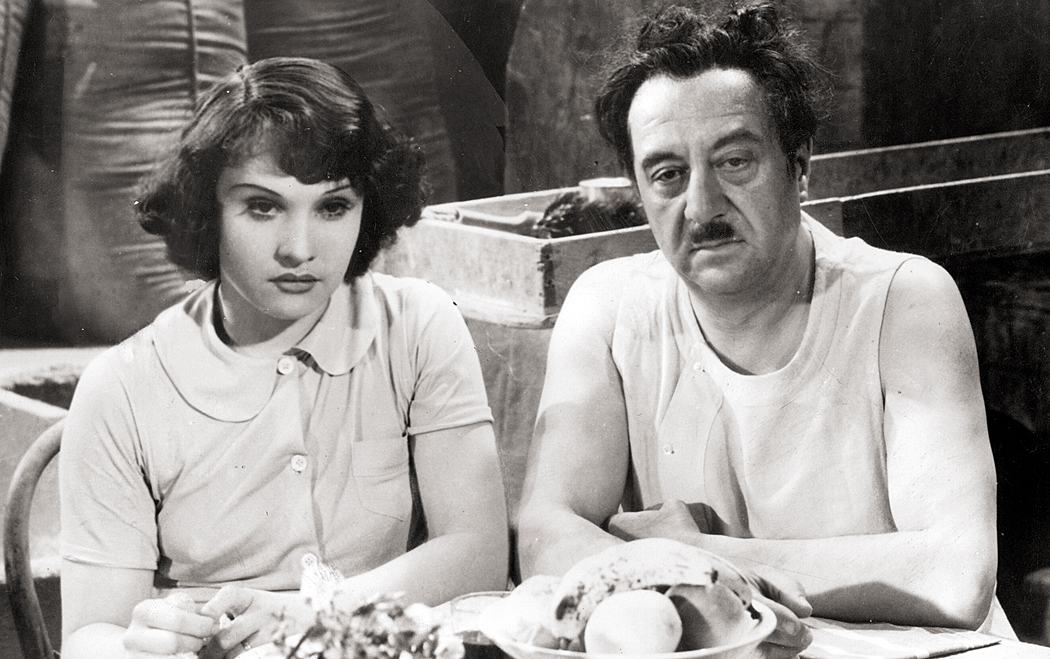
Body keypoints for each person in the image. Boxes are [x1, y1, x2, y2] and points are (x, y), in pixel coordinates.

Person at [516, 1, 1010, 655]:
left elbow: (955, 576)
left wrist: (695, 556)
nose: (701, 206)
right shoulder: (607, 308)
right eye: (667, 174)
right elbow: (545, 536)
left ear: (798, 165)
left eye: (734, 162)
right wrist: (709, 572)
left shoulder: (903, 299)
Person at [59, 56, 509, 659]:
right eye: (263, 207)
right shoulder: (121, 387)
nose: (299, 249)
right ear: (206, 212)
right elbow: (90, 634)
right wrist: (138, 646)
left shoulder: (418, 325)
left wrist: (312, 614)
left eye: (333, 207)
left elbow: (478, 554)